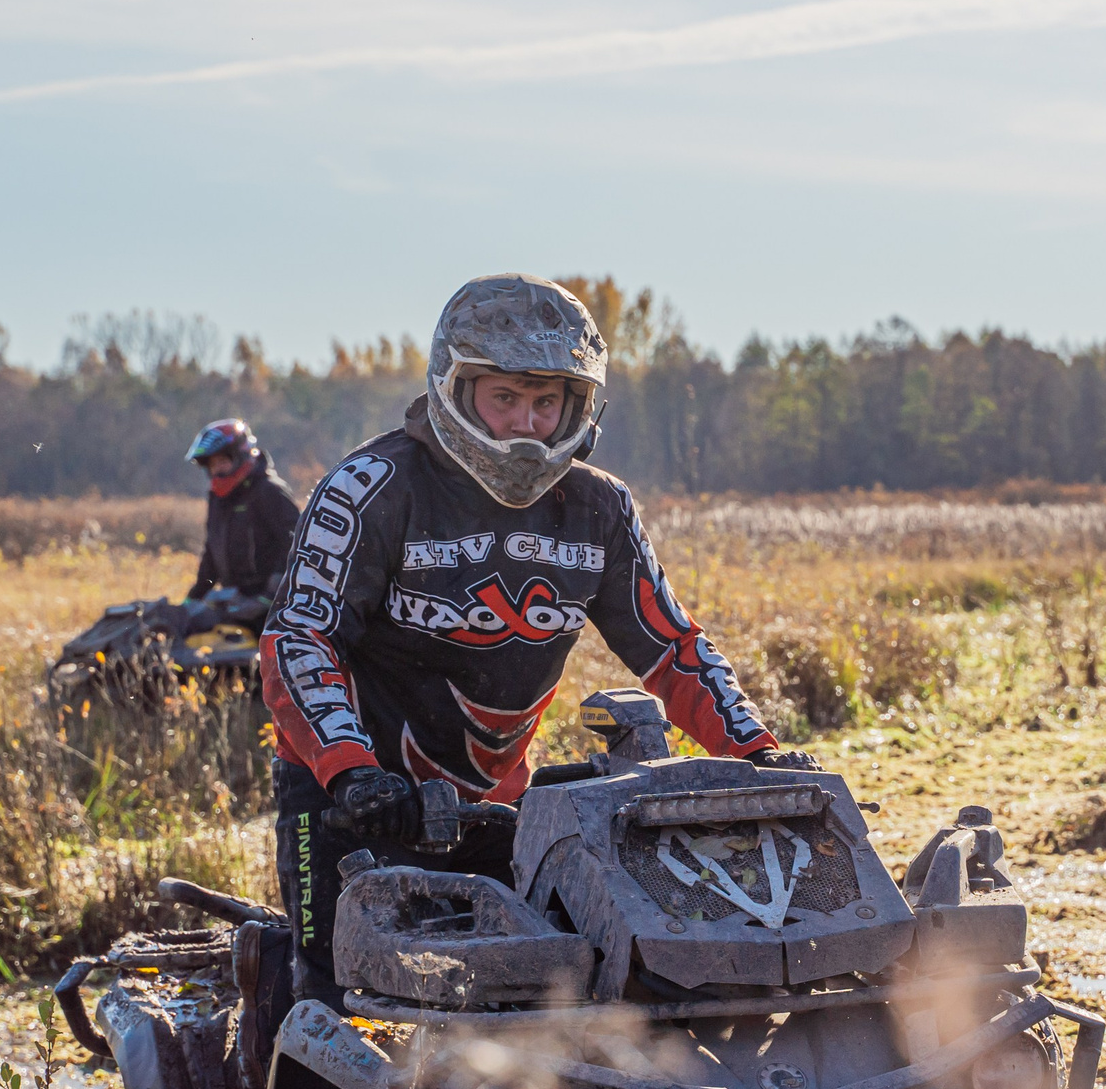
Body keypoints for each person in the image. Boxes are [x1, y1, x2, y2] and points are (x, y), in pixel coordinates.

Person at [260, 273, 780, 1003]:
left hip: (498, 801)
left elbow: (671, 647)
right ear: (454, 387)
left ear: (579, 406)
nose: (525, 425)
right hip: (351, 795)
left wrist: (758, 755)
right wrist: (352, 771)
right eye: (503, 398)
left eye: (545, 402)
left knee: (534, 996)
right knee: (338, 1000)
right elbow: (300, 637)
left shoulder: (600, 506)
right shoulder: (370, 486)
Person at [184, 418, 300, 604]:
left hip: (272, 603)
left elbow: (295, 543)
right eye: (212, 465)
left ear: (240, 456)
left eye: (222, 461)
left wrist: (271, 596)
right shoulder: (217, 499)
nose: (217, 470)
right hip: (234, 600)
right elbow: (212, 554)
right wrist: (192, 600)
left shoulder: (269, 491)